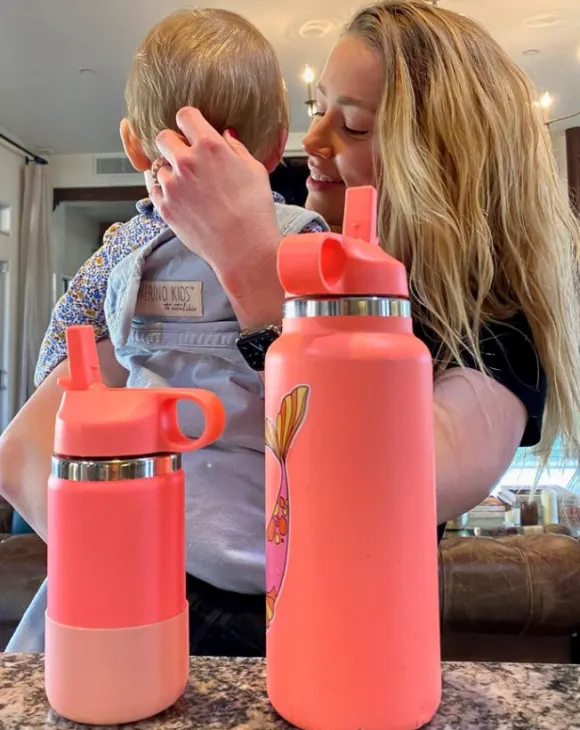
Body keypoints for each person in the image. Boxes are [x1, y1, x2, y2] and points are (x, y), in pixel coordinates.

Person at [3, 0, 580, 654]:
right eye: (317, 109)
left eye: (353, 125)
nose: (314, 142)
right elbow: (26, 452)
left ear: (446, 160)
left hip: (329, 657)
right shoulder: (247, 233)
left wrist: (252, 265)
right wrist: (130, 576)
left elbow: (389, 484)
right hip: (143, 635)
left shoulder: (494, 334)